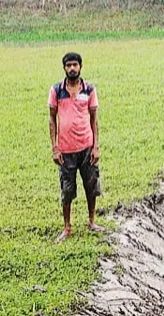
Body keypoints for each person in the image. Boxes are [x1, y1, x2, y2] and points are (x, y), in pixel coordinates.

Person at [47, 51, 103, 242]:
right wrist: (55, 148)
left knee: (91, 184)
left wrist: (96, 146)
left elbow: (94, 119)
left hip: (86, 147)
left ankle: (92, 221)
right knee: (67, 189)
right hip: (66, 150)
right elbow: (52, 119)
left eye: (75, 65)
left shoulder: (89, 89)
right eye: (68, 65)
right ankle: (67, 227)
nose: (72, 68)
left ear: (80, 67)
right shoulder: (56, 91)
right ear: (64, 68)